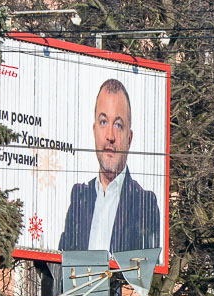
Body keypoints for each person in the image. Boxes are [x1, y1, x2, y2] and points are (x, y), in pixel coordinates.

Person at [59, 78, 161, 255]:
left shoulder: (145, 203)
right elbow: (60, 266)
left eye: (118, 125)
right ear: (94, 130)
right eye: (103, 122)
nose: (110, 136)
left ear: (129, 139)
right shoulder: (79, 198)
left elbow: (142, 277)